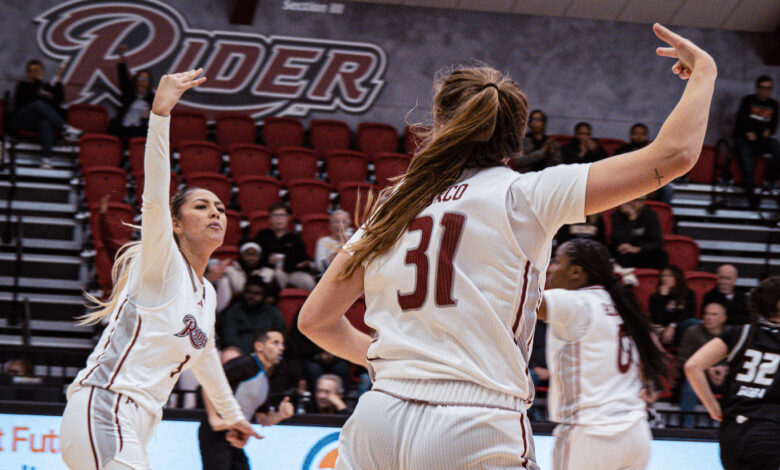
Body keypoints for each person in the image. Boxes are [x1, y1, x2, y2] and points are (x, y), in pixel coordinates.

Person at [298, 23, 716, 470]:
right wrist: (705, 72)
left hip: (378, 419)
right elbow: (676, 155)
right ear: (515, 137)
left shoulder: (393, 204)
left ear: (439, 126)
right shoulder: (526, 195)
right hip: (475, 420)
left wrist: (405, 363)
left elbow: (316, 320)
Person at [60, 69, 259, 470]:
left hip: (137, 421)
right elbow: (154, 197)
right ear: (177, 224)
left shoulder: (206, 293)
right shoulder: (163, 262)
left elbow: (206, 361)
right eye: (201, 206)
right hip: (105, 405)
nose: (215, 212)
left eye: (220, 207)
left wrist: (231, 415)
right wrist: (161, 115)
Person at [540, 239, 667, 470]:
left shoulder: (576, 303)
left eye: (558, 261)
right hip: (636, 433)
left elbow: (516, 300)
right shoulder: (623, 306)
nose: (551, 268)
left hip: (590, 434)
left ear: (576, 272)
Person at [685, 276, 780, 470]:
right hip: (769, 431)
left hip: (732, 433)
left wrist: (712, 407)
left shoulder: (740, 333)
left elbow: (692, 366)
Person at [199, 328, 294, 470]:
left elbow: (263, 420)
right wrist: (213, 417)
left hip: (236, 436)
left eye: (282, 344)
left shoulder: (266, 378)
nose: (281, 348)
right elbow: (209, 381)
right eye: (275, 343)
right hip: (216, 434)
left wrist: (282, 415)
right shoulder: (245, 363)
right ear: (259, 346)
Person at [12, 59, 82, 168]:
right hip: (23, 119)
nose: (33, 74)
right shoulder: (23, 86)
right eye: (30, 71)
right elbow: (28, 100)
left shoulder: (47, 88)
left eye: (36, 71)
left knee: (44, 122)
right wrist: (38, 83)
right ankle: (65, 128)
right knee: (38, 104)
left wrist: (58, 79)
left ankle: (46, 159)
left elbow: (58, 101)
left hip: (37, 123)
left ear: (42, 73)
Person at [677, 302, 728, 427]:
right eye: (706, 313)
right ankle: (686, 426)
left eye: (714, 314)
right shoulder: (693, 332)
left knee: (739, 384)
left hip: (725, 378)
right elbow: (682, 361)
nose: (708, 317)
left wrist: (726, 370)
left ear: (723, 318)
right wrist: (705, 370)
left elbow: (740, 361)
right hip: (700, 377)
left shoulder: (730, 333)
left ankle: (728, 425)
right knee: (691, 383)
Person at [732, 75, 780, 209]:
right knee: (748, 168)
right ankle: (752, 200)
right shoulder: (748, 101)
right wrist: (753, 132)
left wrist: (763, 132)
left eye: (769, 88)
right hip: (744, 141)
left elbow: (772, 128)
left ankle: (773, 177)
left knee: (775, 145)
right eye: (763, 88)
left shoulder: (773, 105)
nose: (765, 91)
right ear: (757, 88)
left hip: (760, 141)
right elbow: (742, 124)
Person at [254, 203, 316, 290]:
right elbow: (255, 256)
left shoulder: (295, 238)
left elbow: (303, 258)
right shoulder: (263, 235)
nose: (279, 219)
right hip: (270, 269)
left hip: (292, 272)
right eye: (276, 215)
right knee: (274, 276)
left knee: (308, 281)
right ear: (270, 219)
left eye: (283, 215)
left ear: (288, 219)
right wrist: (267, 259)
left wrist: (305, 263)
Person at [220, 276, 286, 354]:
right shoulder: (233, 310)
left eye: (257, 294)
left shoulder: (273, 312)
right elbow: (229, 338)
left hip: (266, 352)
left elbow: (279, 335)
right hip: (239, 353)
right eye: (248, 292)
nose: (252, 296)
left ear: (264, 296)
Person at [610, 197, 667, 269]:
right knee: (623, 253)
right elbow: (619, 240)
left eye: (634, 200)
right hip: (626, 252)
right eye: (628, 200)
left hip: (644, 251)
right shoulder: (617, 215)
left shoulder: (650, 215)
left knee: (661, 255)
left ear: (643, 202)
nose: (630, 203)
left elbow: (658, 242)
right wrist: (631, 219)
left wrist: (639, 249)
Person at [112, 44, 154, 139]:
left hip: (139, 130)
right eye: (141, 78)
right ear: (136, 80)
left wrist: (149, 114)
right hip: (123, 127)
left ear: (149, 83)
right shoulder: (129, 92)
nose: (142, 82)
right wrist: (121, 55)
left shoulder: (151, 98)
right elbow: (123, 75)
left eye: (145, 79)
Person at [649, 265, 697, 345]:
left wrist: (672, 326)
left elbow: (688, 314)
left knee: (693, 323)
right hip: (661, 330)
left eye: (669, 276)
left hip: (681, 329)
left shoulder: (688, 294)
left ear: (677, 278)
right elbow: (657, 319)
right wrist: (662, 297)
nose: (665, 278)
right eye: (663, 276)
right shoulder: (655, 297)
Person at [314, 210, 352, 274]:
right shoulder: (323, 241)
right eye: (336, 222)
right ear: (330, 225)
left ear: (348, 226)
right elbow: (321, 266)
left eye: (344, 222)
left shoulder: (354, 242)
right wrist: (341, 248)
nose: (340, 225)